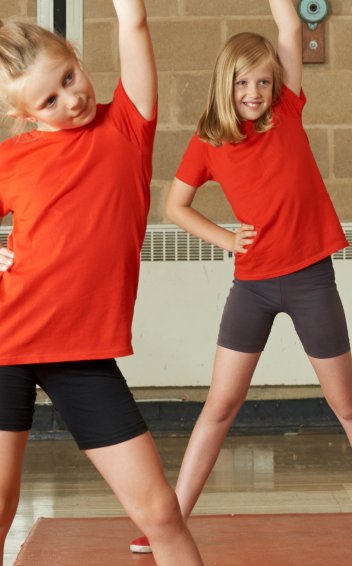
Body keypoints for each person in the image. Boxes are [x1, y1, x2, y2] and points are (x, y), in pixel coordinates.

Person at [131, 0, 352, 553]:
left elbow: (289, 24)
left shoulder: (287, 108)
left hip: (311, 278)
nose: (255, 93)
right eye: (244, 83)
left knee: (348, 403)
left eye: (263, 81)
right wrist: (225, 237)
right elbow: (175, 206)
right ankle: (173, 519)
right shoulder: (209, 142)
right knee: (220, 405)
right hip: (252, 287)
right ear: (226, 83)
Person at [0, 3, 205, 563]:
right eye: (49, 99)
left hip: (82, 353)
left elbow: (132, 25)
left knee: (160, 511)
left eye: (70, 76)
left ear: (77, 60)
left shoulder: (127, 127)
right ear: (23, 114)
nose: (71, 98)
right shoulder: (9, 159)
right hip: (6, 345)